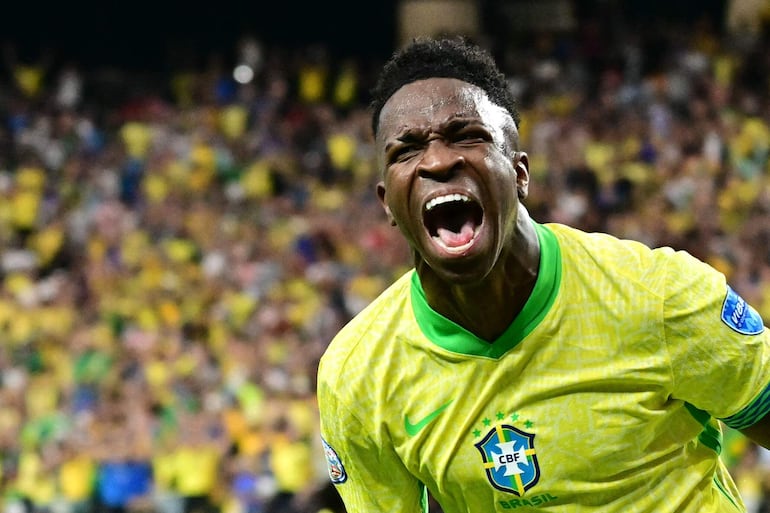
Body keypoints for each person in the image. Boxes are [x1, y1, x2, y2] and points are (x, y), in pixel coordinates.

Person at [315, 36, 770, 512]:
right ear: (387, 202)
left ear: (520, 173)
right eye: (406, 149)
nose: (437, 160)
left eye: (467, 135)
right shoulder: (357, 377)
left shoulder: (660, 295)